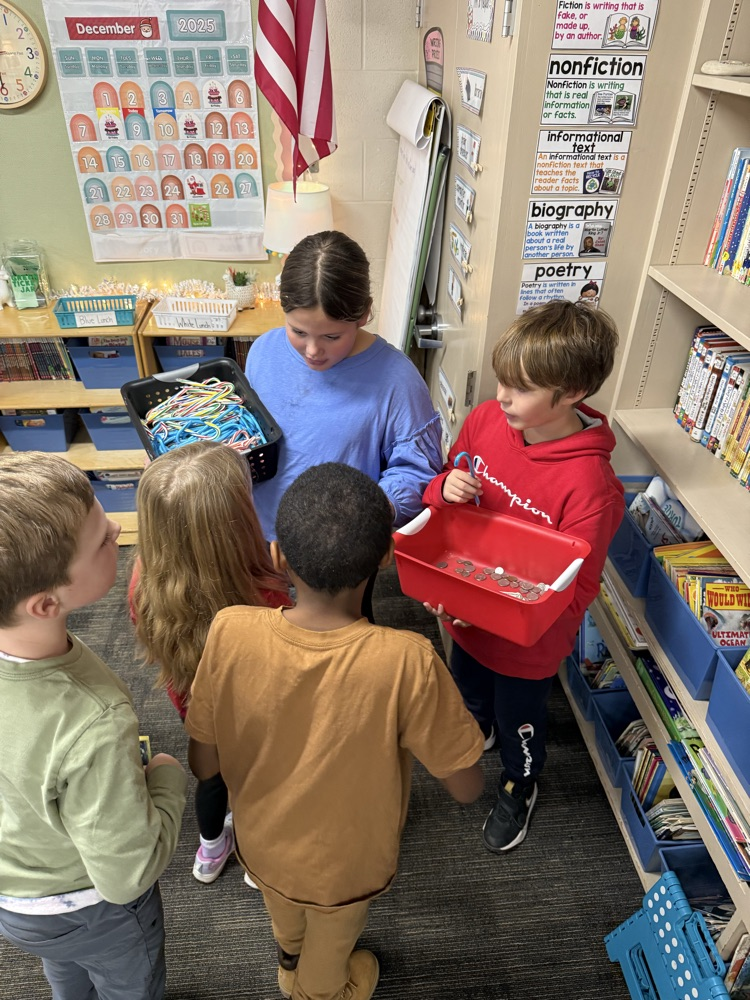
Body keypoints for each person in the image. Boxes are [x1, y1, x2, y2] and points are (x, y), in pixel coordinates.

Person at [186, 462, 485, 1000]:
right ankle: (318, 990)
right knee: (333, 943)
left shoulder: (229, 630)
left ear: (278, 556)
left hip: (261, 844)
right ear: (387, 557)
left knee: (285, 915)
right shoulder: (408, 660)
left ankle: (289, 959)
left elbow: (203, 763)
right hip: (344, 868)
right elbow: (467, 787)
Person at [421, 299, 624, 855]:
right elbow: (447, 485)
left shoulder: (592, 488)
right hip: (466, 612)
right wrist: (443, 489)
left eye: (522, 388)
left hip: (525, 643)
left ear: (572, 393)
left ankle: (520, 782)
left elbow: (577, 590)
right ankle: (478, 729)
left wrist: (496, 613)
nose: (503, 396)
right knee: (468, 689)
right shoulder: (488, 420)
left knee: (521, 724)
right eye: (502, 380)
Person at [0, 452, 187, 1000]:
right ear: (45, 604)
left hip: (17, 903)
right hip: (94, 910)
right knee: (129, 983)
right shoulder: (92, 722)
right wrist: (167, 782)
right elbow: (127, 876)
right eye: (102, 540)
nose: (116, 530)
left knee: (65, 969)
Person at [244, 231, 443, 617]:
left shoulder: (396, 379)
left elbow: (418, 470)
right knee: (265, 634)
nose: (313, 351)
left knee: (342, 642)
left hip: (340, 553)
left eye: (332, 336)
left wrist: (372, 511)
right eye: (298, 331)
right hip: (260, 537)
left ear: (364, 313)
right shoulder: (264, 351)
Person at [129, 441, 290, 885]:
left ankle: (211, 848)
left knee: (213, 777)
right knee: (260, 783)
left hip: (193, 707)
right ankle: (257, 857)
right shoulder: (264, 597)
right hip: (257, 720)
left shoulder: (142, 581)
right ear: (236, 524)